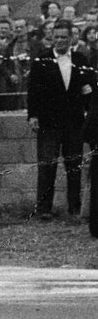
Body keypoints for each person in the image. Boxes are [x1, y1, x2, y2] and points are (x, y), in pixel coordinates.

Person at [26, 20, 95, 220]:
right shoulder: (42, 60)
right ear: (51, 38)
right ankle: (44, 209)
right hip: (49, 122)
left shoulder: (81, 59)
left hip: (73, 122)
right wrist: (33, 116)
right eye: (56, 37)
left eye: (64, 37)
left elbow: (88, 90)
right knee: (47, 165)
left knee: (74, 165)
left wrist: (89, 114)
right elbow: (33, 91)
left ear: (71, 38)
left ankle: (74, 208)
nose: (60, 41)